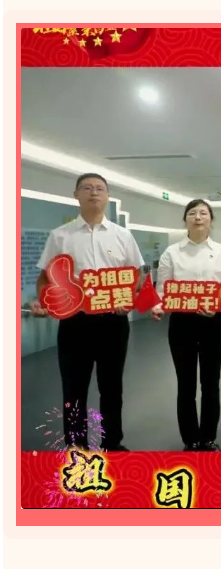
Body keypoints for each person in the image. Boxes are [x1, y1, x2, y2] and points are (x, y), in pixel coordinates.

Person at [31, 173, 144, 451]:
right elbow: (46, 278)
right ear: (76, 195)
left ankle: (112, 443)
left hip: (113, 322)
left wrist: (127, 298)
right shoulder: (60, 236)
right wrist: (43, 301)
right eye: (87, 188)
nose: (94, 192)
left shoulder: (122, 235)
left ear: (107, 196)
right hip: (75, 322)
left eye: (99, 188)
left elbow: (136, 276)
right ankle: (76, 446)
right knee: (74, 389)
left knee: (112, 387)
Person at [151, 199, 221, 452]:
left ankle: (208, 437)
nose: (198, 217)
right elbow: (163, 289)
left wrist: (219, 306)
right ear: (185, 219)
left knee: (211, 382)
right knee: (185, 384)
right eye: (192, 213)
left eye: (203, 213)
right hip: (182, 323)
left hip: (213, 322)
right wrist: (159, 306)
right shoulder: (172, 252)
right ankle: (189, 439)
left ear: (211, 219)